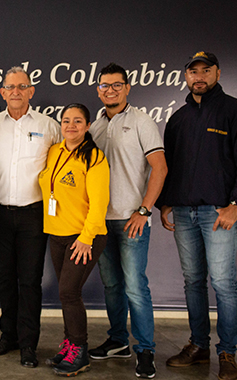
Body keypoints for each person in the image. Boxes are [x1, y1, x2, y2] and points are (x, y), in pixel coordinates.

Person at [158, 51, 237, 380]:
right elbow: (171, 165)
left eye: (206, 70)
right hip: (184, 212)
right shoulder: (178, 119)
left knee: (224, 284)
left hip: (219, 213)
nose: (199, 76)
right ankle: (198, 346)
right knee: (193, 283)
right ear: (186, 76)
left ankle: (227, 352)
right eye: (193, 71)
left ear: (217, 72)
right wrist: (167, 202)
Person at [88, 63, 168, 379]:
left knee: (135, 287)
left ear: (127, 87)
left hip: (131, 220)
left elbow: (159, 168)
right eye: (105, 85)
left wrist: (145, 210)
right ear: (98, 89)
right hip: (101, 221)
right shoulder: (94, 127)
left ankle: (145, 349)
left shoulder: (141, 121)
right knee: (112, 285)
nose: (111, 89)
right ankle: (118, 341)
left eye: (117, 84)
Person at [0, 66, 61, 368]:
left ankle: (29, 343)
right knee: (4, 279)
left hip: (33, 215)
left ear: (31, 91)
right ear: (2, 92)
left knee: (29, 281)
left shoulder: (49, 126)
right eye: (10, 87)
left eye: (21, 86)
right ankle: (8, 336)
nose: (15, 91)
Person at [39, 104, 109, 377]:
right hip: (56, 233)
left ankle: (80, 350)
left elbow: (99, 203)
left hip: (83, 237)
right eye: (66, 120)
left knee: (69, 292)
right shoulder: (55, 151)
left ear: (87, 126)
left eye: (77, 121)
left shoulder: (94, 156)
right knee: (66, 293)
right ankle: (69, 344)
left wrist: (86, 238)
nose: (71, 125)